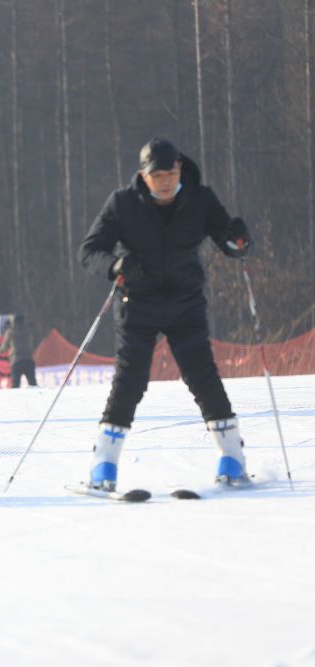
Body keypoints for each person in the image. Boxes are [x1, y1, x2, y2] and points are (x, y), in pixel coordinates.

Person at [78, 137, 253, 490]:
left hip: (185, 302)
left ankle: (233, 457)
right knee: (130, 381)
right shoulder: (122, 204)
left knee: (202, 376)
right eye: (157, 175)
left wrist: (237, 239)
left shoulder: (199, 199)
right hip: (137, 304)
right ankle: (104, 465)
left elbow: (225, 233)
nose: (166, 181)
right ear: (144, 176)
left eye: (171, 173)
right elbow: (90, 250)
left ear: (179, 170)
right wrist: (114, 265)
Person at [0, 314, 37, 388]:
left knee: (15, 386)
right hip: (28, 359)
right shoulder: (29, 330)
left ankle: (15, 399)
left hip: (16, 361)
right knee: (33, 384)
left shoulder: (10, 332)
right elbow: (32, 343)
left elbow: (4, 348)